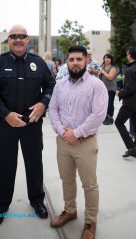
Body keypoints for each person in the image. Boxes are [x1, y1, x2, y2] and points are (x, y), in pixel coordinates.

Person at [0, 24, 55, 227]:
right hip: (6, 124)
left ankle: (37, 201)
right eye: (13, 36)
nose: (17, 39)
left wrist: (43, 104)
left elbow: (51, 85)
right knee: (5, 166)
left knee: (34, 163)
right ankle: (1, 205)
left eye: (21, 36)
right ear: (8, 40)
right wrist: (5, 114)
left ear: (27, 40)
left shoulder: (39, 62)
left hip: (31, 122)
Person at [48, 46, 108, 239]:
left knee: (89, 185)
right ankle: (70, 210)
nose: (75, 63)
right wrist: (61, 131)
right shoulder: (60, 85)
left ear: (86, 61)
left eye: (79, 59)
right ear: (67, 62)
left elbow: (98, 114)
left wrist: (76, 133)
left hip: (86, 143)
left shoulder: (96, 85)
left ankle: (90, 222)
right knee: (67, 180)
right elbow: (53, 109)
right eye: (71, 59)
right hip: (63, 142)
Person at [115, 46, 136, 158]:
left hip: (130, 102)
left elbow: (131, 88)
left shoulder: (130, 70)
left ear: (130, 55)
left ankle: (131, 147)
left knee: (118, 122)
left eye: (128, 53)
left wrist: (120, 93)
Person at [99, 53, 118, 125]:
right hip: (103, 88)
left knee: (110, 103)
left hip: (111, 88)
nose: (106, 59)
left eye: (108, 58)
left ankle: (110, 117)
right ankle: (106, 117)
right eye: (105, 58)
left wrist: (103, 72)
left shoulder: (113, 68)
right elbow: (100, 76)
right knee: (104, 103)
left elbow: (110, 77)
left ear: (111, 59)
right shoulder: (102, 67)